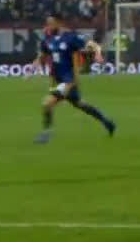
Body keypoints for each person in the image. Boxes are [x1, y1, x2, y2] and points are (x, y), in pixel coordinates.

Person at [34, 15, 116, 145]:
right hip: (58, 80)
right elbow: (42, 54)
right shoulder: (48, 39)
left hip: (69, 80)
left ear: (59, 23)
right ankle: (107, 122)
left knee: (47, 103)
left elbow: (92, 45)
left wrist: (98, 54)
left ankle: (46, 134)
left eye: (51, 23)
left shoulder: (71, 37)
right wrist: (36, 64)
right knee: (80, 104)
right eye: (47, 24)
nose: (48, 26)